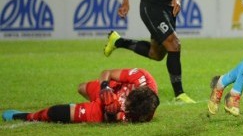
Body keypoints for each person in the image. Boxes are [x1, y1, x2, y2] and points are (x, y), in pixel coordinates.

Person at [2, 68, 160, 123]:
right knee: (81, 88)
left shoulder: (142, 114)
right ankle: (93, 99)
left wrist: (112, 114)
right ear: (136, 89)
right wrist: (105, 88)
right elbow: (108, 73)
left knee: (56, 113)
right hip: (112, 89)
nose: (126, 104)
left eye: (128, 108)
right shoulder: (141, 76)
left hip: (106, 109)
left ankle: (26, 116)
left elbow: (118, 119)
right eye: (127, 100)